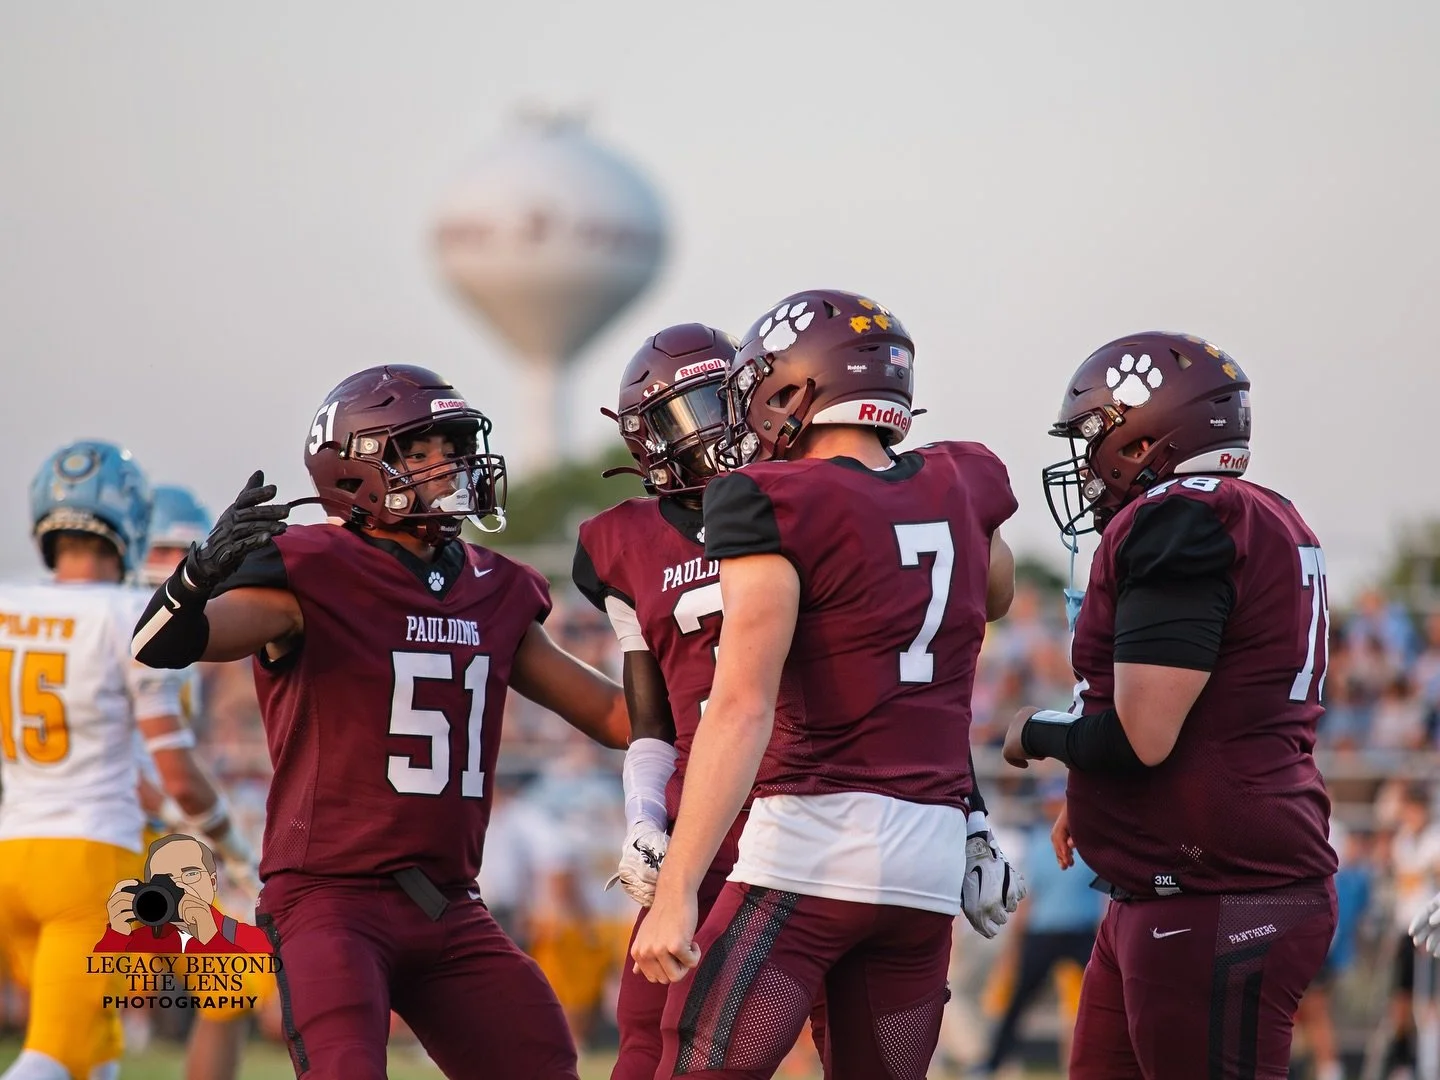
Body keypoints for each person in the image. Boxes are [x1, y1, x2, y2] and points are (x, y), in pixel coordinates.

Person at [131, 364, 631, 1080]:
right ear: (359, 467)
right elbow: (163, 645)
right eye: (422, 450)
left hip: (451, 906)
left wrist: (702, 673)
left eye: (455, 445)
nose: (450, 465)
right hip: (330, 900)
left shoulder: (495, 586)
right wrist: (197, 574)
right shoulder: (314, 569)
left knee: (545, 1063)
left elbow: (616, 715)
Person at [630, 290, 1025, 1080]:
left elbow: (741, 706)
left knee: (695, 1063)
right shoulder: (965, 479)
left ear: (792, 388)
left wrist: (675, 890)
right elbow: (998, 593)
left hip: (811, 852)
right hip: (928, 866)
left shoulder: (774, 499)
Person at [1003, 332, 1338, 1079]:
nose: (1085, 459)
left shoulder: (1181, 518)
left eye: (1094, 434)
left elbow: (1143, 735)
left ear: (1146, 433)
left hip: (1220, 891)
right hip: (1175, 882)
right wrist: (1092, 794)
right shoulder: (1265, 513)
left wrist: (1037, 733)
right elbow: (1200, 709)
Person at [0, 441, 241, 1080]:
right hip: (91, 858)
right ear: (132, 527)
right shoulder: (124, 618)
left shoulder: (8, 603)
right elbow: (175, 774)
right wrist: (234, 846)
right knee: (57, 1057)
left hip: (13, 853)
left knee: (96, 1050)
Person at [136, 484, 273, 1080]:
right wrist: (216, 838)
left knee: (231, 984)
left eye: (183, 553)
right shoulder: (129, 623)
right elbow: (149, 768)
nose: (176, 566)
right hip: (123, 830)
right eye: (164, 551)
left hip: (136, 824)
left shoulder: (184, 633)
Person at [977, 776, 1103, 1076]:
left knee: (1104, 1000)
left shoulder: (1090, 843)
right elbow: (1030, 897)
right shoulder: (1036, 843)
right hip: (1043, 932)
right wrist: (1015, 943)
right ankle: (992, 1063)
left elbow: (1102, 899)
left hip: (1082, 933)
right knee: (1018, 1000)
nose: (1052, 806)